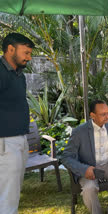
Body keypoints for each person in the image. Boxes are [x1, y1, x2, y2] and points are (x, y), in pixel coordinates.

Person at [61, 100, 108, 214]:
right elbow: (66, 157)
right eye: (103, 114)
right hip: (88, 167)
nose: (107, 117)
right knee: (89, 189)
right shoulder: (79, 132)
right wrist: (84, 169)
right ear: (92, 115)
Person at [0, 33, 35, 214]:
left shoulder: (19, 75)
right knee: (7, 196)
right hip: (5, 142)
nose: (28, 58)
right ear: (10, 49)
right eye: (26, 53)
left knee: (13, 191)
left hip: (20, 138)